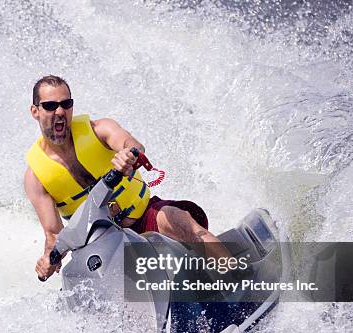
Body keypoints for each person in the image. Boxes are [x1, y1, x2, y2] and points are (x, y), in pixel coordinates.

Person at [24, 75, 231, 281]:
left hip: (143, 218)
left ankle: (239, 279)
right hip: (102, 251)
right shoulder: (36, 178)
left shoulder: (99, 129)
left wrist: (129, 154)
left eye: (66, 104)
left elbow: (132, 144)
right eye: (50, 106)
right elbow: (54, 236)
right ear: (35, 111)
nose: (60, 111)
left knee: (182, 221)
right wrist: (48, 261)